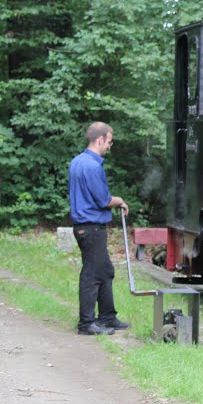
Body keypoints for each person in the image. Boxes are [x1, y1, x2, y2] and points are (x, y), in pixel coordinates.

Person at [68, 122, 130, 336]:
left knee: (104, 271)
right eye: (109, 142)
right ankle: (86, 324)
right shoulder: (93, 166)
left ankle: (108, 317)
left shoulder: (77, 161)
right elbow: (103, 200)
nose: (110, 146)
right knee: (92, 274)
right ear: (100, 139)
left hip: (85, 227)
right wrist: (120, 200)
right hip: (91, 227)